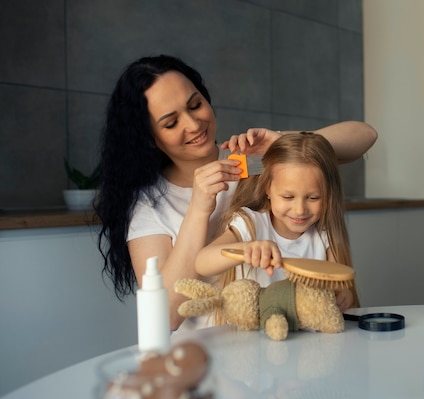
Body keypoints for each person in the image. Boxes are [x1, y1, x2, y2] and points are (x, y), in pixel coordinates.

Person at [95, 55, 377, 331]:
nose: (193, 125)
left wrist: (284, 144)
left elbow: (364, 135)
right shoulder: (149, 206)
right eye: (171, 123)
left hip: (286, 337)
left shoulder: (252, 160)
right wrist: (199, 207)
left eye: (195, 105)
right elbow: (162, 318)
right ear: (148, 138)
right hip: (208, 356)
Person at [195, 132, 357, 327]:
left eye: (313, 198)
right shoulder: (250, 224)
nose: (299, 210)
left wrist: (344, 295)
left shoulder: (323, 234)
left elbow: (339, 283)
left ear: (329, 195)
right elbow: (202, 262)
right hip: (252, 342)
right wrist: (245, 249)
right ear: (268, 189)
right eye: (288, 197)